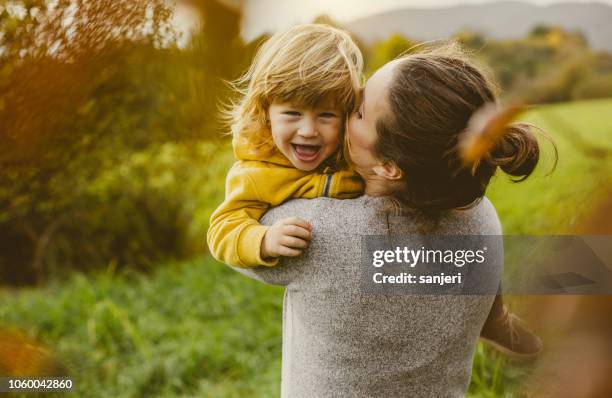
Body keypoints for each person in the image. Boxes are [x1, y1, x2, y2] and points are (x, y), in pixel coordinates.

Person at [229, 43, 555, 397]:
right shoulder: (481, 217)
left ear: (388, 166)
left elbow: (237, 233)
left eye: (356, 111)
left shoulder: (313, 230)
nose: (342, 108)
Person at [206, 24, 364, 269]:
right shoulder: (256, 173)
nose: (309, 131)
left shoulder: (357, 153)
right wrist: (264, 240)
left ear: (346, 116)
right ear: (265, 112)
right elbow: (221, 229)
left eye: (326, 116)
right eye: (292, 113)